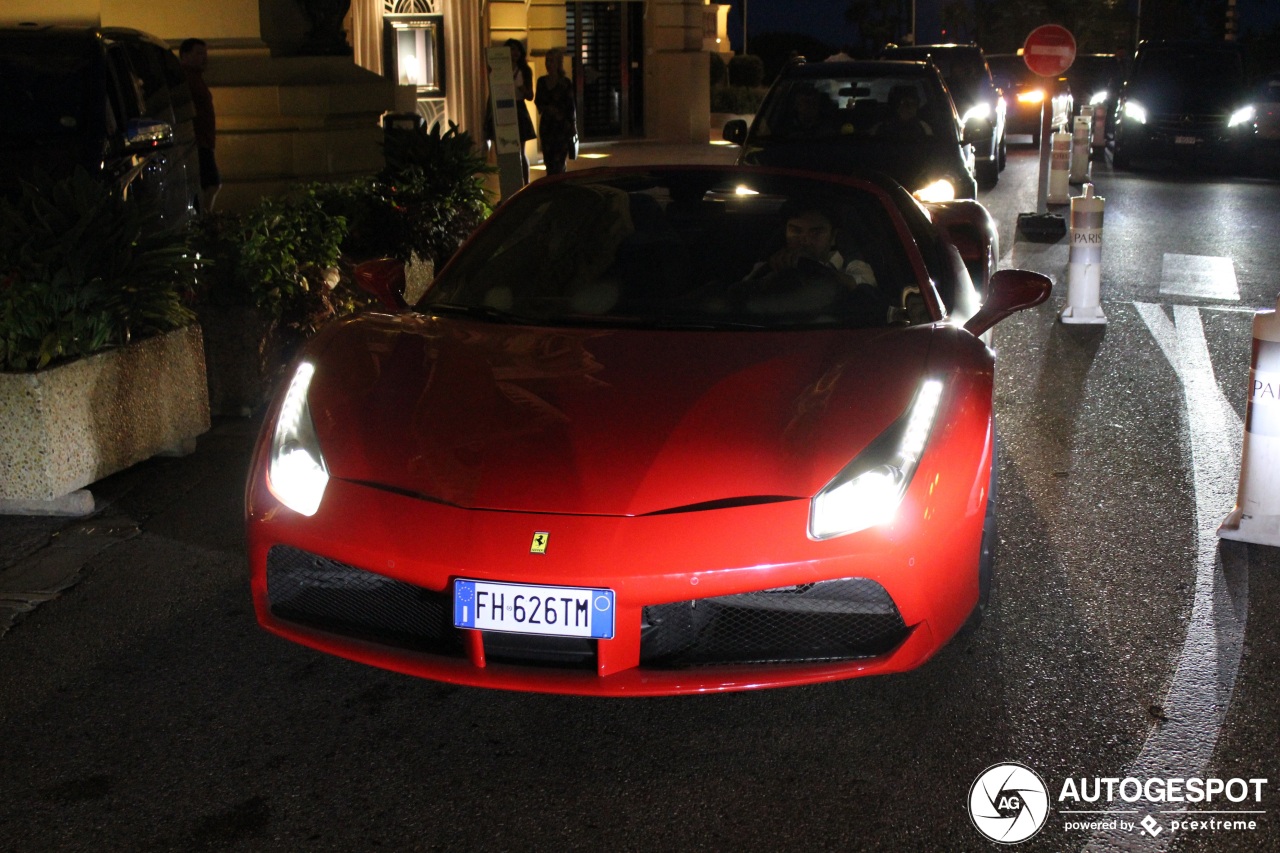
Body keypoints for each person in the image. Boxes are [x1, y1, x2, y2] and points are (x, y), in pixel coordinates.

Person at [734, 199, 887, 324]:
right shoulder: (769, 265)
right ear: (785, 232)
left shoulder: (850, 266)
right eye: (795, 231)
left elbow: (867, 290)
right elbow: (737, 300)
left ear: (833, 237)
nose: (804, 241)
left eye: (816, 232)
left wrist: (823, 272)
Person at [178, 38, 219, 212]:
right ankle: (204, 220)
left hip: (203, 140)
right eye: (199, 53)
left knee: (208, 184)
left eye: (205, 54)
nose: (204, 58)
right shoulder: (187, 80)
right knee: (210, 183)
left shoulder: (195, 78)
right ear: (185, 56)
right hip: (197, 141)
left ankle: (204, 218)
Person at [534, 47, 577, 175]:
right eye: (547, 61)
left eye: (551, 61)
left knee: (560, 161)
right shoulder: (541, 81)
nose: (548, 64)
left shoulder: (565, 82)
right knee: (549, 161)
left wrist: (573, 125)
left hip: (562, 127)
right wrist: (548, 108)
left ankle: (560, 185)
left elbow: (571, 106)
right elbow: (538, 101)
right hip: (547, 126)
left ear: (558, 63)